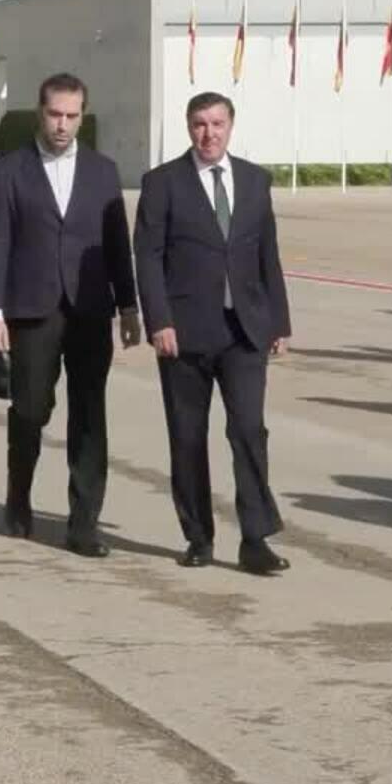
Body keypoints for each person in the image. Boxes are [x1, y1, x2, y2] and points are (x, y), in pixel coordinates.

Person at [135, 91, 292, 575]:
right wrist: (158, 320)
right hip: (184, 333)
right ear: (188, 128)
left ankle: (255, 538)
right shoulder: (162, 184)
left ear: (231, 126)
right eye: (200, 124)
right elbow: (148, 256)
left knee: (248, 430)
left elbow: (267, 253)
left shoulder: (253, 180)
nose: (209, 133)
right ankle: (198, 536)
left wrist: (279, 321)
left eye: (217, 124)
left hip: (244, 331)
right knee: (187, 436)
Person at [0, 73, 139, 549]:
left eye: (72, 116)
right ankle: (18, 494)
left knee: (89, 414)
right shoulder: (10, 170)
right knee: (30, 408)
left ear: (82, 116)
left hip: (90, 309)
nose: (62, 125)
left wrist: (128, 305)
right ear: (39, 112)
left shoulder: (103, 171)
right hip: (32, 309)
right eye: (55, 114)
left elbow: (117, 245)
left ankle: (83, 521)